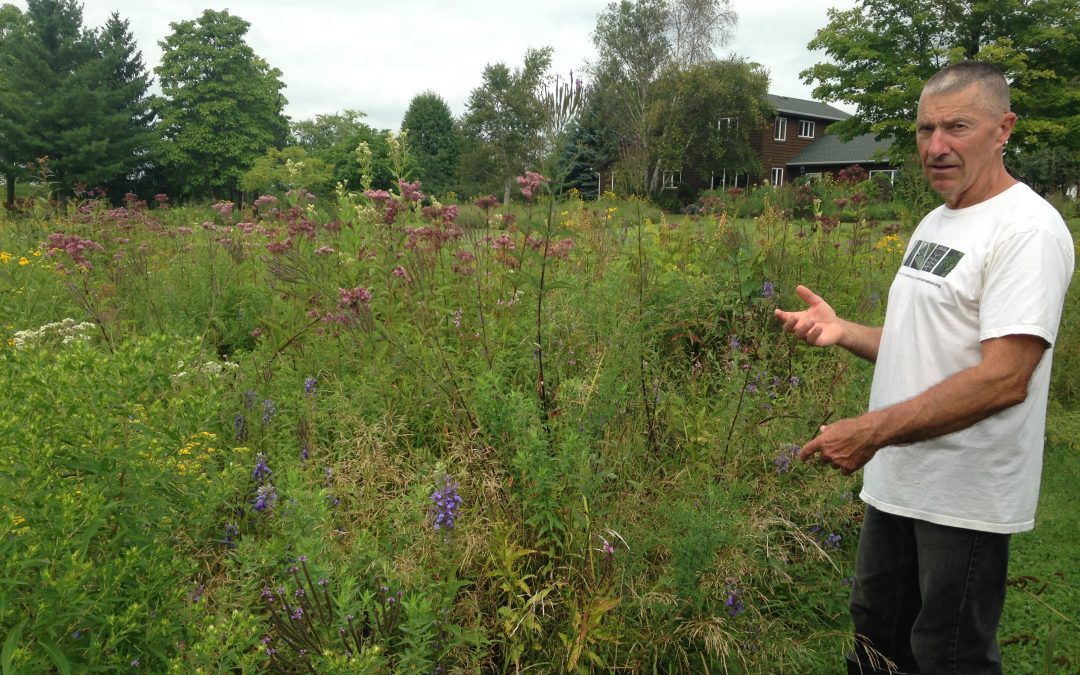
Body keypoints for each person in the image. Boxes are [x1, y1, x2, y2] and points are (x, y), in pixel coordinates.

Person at [774, 61, 1074, 674]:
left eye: (957, 127)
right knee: (876, 635)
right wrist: (842, 332)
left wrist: (871, 430)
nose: (936, 147)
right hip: (899, 482)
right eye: (924, 130)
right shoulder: (938, 220)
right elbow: (924, 344)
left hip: (961, 495)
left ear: (1003, 128)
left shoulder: (1027, 230)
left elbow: (1004, 377)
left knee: (946, 651)